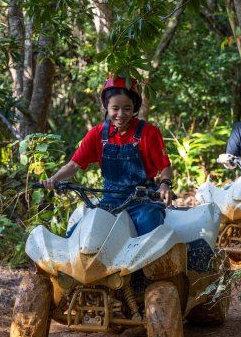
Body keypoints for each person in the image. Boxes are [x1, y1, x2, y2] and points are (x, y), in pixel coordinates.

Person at [43, 76, 173, 236]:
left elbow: (165, 167)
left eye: (127, 108)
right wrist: (54, 179)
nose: (121, 114)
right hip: (110, 200)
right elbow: (73, 165)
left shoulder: (149, 133)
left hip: (143, 199)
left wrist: (165, 185)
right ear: (107, 107)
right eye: (115, 108)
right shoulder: (97, 134)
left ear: (135, 108)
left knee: (150, 227)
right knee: (76, 235)